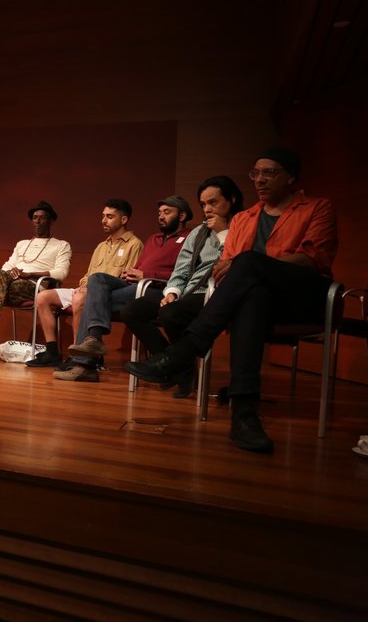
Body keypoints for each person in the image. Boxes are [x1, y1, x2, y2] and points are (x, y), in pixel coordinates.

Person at [125, 147, 338, 454]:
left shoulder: (317, 208)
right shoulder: (245, 219)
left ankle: (184, 351)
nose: (260, 180)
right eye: (256, 173)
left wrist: (254, 263)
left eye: (269, 172)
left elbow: (313, 259)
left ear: (291, 177)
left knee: (249, 264)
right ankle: (244, 414)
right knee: (253, 294)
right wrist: (244, 267)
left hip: (304, 294)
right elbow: (224, 267)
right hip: (259, 298)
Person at [121, 176, 245, 396]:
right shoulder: (199, 232)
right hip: (188, 291)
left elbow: (236, 263)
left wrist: (223, 232)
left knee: (171, 314)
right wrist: (172, 292)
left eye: (213, 202)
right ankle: (177, 366)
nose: (207, 209)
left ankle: (174, 366)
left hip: (216, 292)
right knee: (132, 310)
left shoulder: (243, 226)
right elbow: (181, 269)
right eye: (203, 204)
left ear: (232, 199)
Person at [53, 195, 192, 382]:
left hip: (158, 288)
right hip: (134, 283)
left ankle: (85, 363)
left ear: (182, 215)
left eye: (167, 212)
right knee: (97, 279)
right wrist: (133, 273)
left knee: (91, 300)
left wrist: (146, 275)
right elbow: (140, 265)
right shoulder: (153, 239)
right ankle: (91, 345)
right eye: (159, 212)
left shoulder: (189, 238)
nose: (161, 216)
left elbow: (183, 274)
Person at [26, 199, 143, 368]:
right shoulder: (101, 246)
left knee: (79, 299)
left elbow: (126, 280)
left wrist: (87, 289)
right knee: (43, 297)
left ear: (123, 220)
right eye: (103, 216)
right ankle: (52, 352)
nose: (103, 220)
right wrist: (83, 284)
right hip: (86, 289)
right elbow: (88, 274)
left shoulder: (134, 244)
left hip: (106, 294)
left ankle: (79, 356)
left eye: (109, 216)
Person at [0, 202, 71, 363]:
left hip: (35, 287)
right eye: (34, 218)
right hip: (11, 286)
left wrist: (30, 274)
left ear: (51, 221)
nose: (37, 221)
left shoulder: (61, 245)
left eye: (42, 218)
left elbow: (61, 273)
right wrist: (11, 272)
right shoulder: (22, 244)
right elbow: (6, 267)